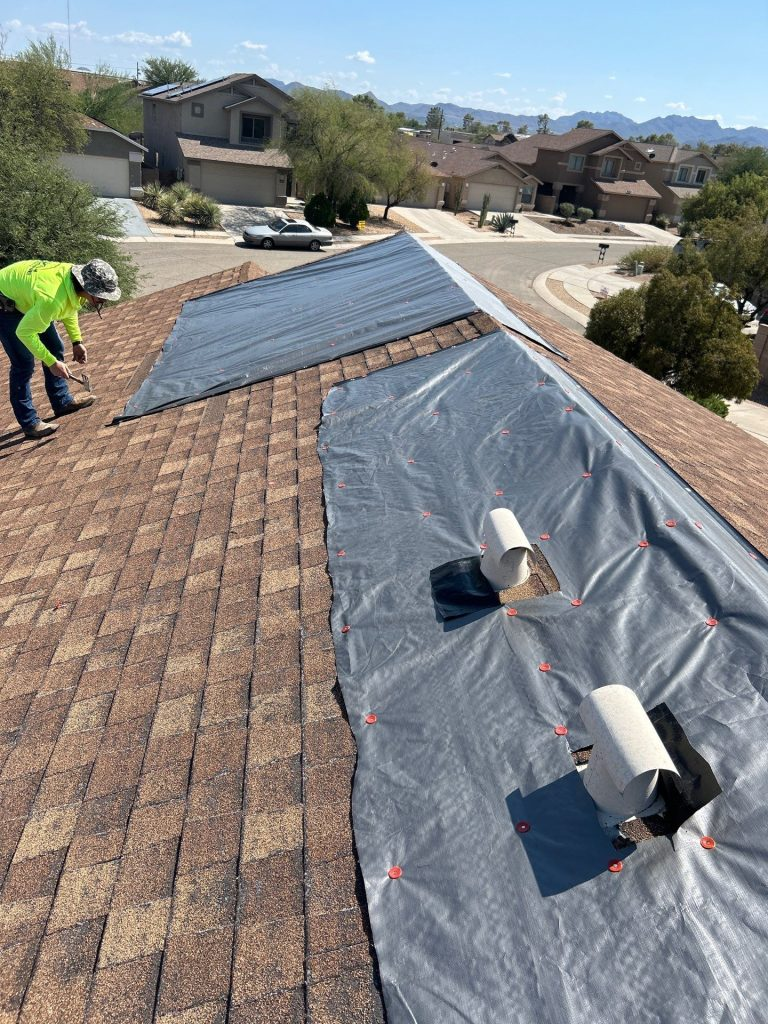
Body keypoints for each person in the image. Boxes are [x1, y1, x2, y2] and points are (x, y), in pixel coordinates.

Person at [0, 258, 120, 440]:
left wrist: (76, 341)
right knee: (23, 364)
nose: (103, 300)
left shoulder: (72, 281)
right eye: (101, 295)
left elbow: (69, 307)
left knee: (56, 347)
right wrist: (51, 363)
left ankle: (62, 402)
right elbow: (24, 333)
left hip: (28, 296)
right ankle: (30, 423)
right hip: (4, 303)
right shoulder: (51, 299)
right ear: (87, 287)